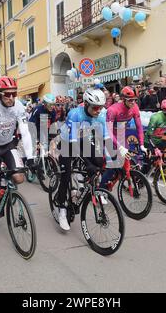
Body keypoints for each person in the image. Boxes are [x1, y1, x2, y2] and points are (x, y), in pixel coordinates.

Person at [0, 77, 35, 235]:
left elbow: (25, 132)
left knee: (19, 178)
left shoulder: (19, 106)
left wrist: (30, 158)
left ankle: (5, 187)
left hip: (8, 145)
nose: (11, 98)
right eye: (7, 95)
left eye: (14, 94)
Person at [55, 89, 110, 231]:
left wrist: (113, 157)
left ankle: (85, 187)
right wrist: (87, 163)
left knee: (98, 161)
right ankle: (61, 209)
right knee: (66, 175)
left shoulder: (101, 115)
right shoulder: (75, 114)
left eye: (101, 107)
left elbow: (106, 139)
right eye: (95, 108)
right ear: (86, 104)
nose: (99, 111)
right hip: (68, 142)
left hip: (83, 140)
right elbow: (73, 143)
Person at [100, 86, 146, 191]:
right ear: (123, 99)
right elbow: (109, 132)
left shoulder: (135, 107)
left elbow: (139, 127)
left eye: (135, 100)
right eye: (130, 100)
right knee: (112, 167)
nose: (133, 102)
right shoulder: (113, 110)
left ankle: (118, 179)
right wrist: (120, 147)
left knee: (126, 163)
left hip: (121, 136)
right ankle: (101, 190)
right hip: (109, 136)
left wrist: (142, 144)